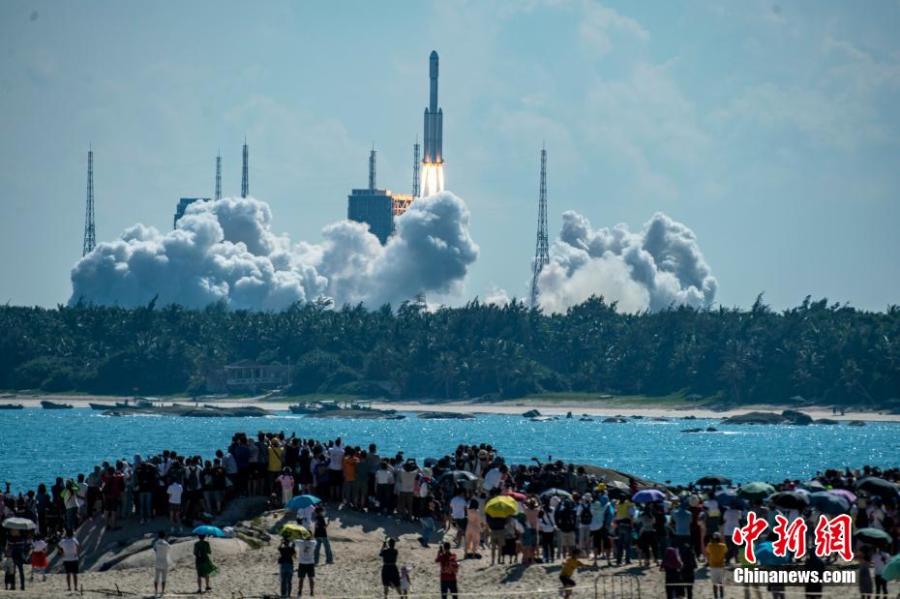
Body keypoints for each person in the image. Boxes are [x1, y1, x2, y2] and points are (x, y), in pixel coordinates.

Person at [706, 532, 727, 599]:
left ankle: (715, 596)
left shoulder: (709, 545)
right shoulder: (723, 546)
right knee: (721, 582)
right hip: (721, 565)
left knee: (714, 583)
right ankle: (721, 596)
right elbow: (725, 551)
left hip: (713, 566)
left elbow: (708, 552)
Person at [296, 533, 316, 597]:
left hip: (302, 563)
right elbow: (314, 540)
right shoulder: (313, 542)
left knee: (301, 579)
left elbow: (294, 540)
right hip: (310, 563)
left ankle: (300, 592)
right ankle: (312, 592)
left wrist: (301, 537)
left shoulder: (300, 542)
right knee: (311, 578)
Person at [153, 530, 171, 597]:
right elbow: (169, 549)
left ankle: (156, 592)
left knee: (156, 578)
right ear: (164, 536)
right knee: (164, 578)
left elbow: (155, 549)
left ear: (158, 536)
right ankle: (162, 592)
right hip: (164, 561)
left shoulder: (156, 543)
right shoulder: (166, 543)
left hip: (158, 561)